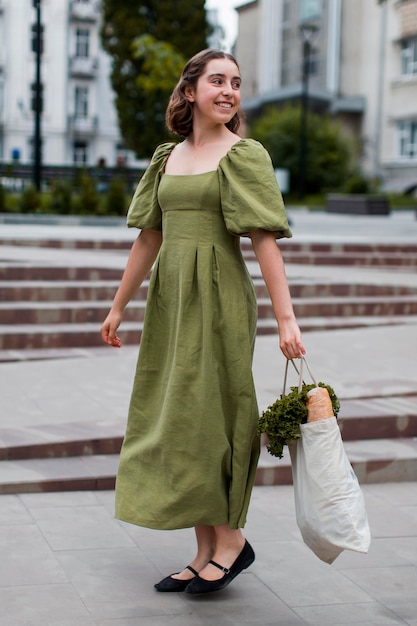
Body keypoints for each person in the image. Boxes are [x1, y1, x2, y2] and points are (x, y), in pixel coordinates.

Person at [101, 49, 305, 595]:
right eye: (217, 80)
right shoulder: (166, 157)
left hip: (219, 298)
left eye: (236, 83)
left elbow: (264, 241)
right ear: (189, 91)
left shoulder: (245, 155)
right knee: (178, 419)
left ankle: (231, 541)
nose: (228, 91)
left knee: (214, 417)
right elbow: (149, 236)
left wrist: (287, 320)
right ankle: (203, 549)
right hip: (171, 300)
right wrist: (119, 305)